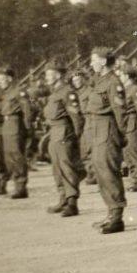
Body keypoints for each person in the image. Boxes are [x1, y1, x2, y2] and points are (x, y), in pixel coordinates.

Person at [84, 47, 128, 234]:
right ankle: (110, 212)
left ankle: (117, 216)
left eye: (94, 60)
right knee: (101, 172)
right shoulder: (98, 81)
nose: (91, 63)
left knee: (109, 172)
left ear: (103, 61)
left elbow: (120, 112)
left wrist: (121, 135)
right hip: (96, 129)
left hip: (107, 130)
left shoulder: (112, 82)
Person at [42, 60, 83, 217]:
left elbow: (76, 117)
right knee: (57, 168)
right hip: (54, 132)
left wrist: (76, 136)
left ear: (58, 75)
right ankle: (63, 198)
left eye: (49, 74)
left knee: (67, 167)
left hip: (64, 132)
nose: (46, 78)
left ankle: (72, 202)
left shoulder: (67, 92)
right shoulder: (55, 92)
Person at [0, 67, 32, 199]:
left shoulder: (19, 91)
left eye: (2, 79)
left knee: (17, 155)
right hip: (7, 124)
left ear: (10, 79)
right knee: (9, 156)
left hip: (15, 124)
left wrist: (28, 128)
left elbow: (27, 109)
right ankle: (17, 185)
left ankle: (21, 187)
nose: (0, 82)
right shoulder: (6, 93)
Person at [117, 67, 137, 192]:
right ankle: (133, 178)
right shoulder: (125, 90)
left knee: (135, 150)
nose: (120, 77)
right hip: (126, 122)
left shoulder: (136, 89)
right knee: (127, 151)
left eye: (122, 75)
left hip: (133, 122)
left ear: (128, 76)